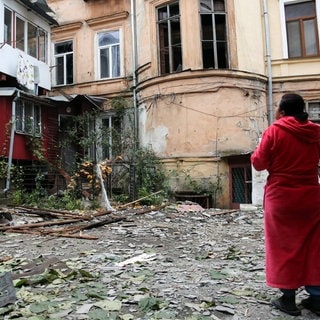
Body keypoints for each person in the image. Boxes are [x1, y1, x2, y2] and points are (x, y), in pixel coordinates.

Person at [251, 93, 320, 316]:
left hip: (281, 199)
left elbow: (259, 163)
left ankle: (288, 299)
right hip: (311, 197)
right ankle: (317, 297)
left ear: (282, 111)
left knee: (283, 247)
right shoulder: (316, 132)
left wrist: (257, 150)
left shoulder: (275, 130)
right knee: (314, 247)